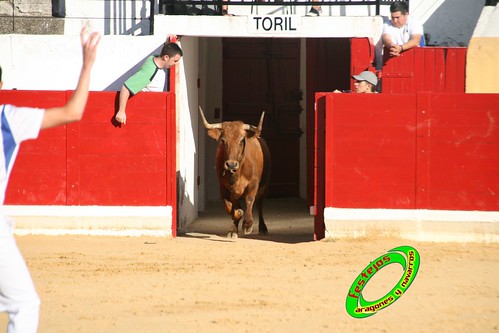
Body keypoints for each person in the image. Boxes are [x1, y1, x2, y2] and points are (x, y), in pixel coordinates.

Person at [0, 27, 100, 333]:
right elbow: (73, 111)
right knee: (24, 305)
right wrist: (87, 66)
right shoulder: (8, 117)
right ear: (2, 84)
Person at [114, 36, 183, 125]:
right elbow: (126, 87)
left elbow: (163, 53)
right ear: (166, 57)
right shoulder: (149, 71)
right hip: (145, 114)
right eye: (175, 61)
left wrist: (167, 43)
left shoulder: (154, 58)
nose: (175, 64)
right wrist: (121, 111)